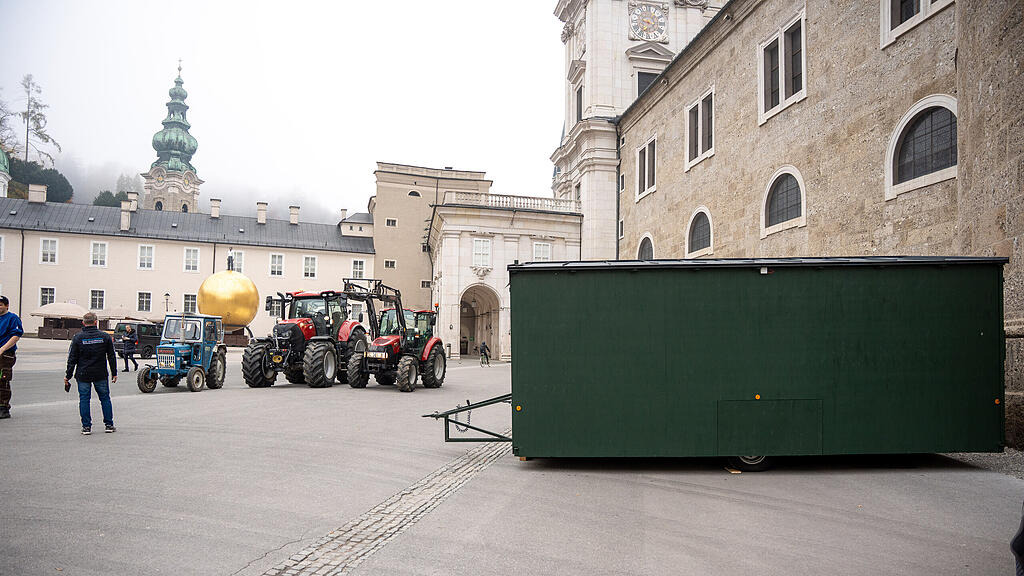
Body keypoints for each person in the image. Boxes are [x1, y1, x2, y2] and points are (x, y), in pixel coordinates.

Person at [65, 312, 118, 435]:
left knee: (84, 399)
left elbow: (72, 358)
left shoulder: (78, 337)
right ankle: (109, 424)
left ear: (83, 323)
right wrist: (114, 372)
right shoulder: (104, 337)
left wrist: (67, 376)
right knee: (105, 398)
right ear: (96, 322)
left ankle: (86, 427)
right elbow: (111, 356)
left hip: (83, 373)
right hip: (100, 373)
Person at [0, 295, 24, 419]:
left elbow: (16, 335)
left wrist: (3, 348)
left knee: (2, 380)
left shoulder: (12, 318)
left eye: (0, 305)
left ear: (6, 306)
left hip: (5, 355)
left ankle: (3, 407)